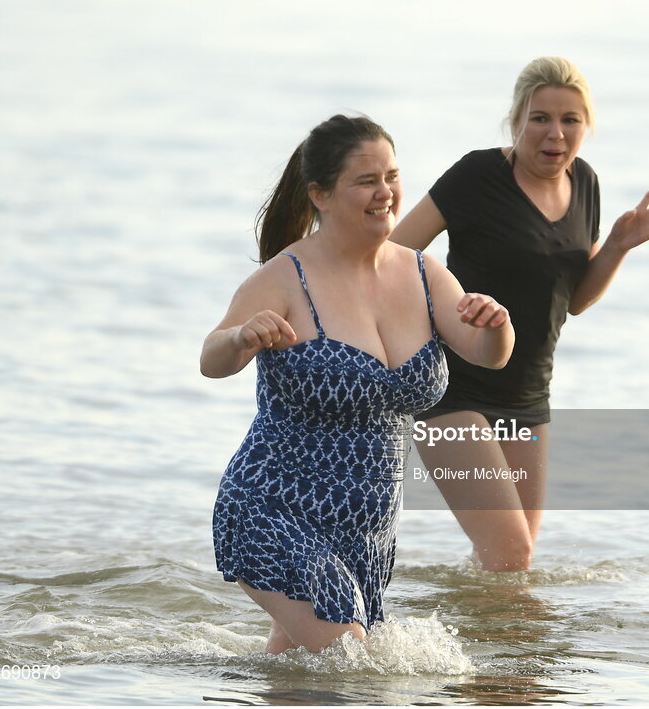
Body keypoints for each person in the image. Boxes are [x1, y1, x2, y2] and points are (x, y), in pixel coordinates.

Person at [201, 115, 514, 653]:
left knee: (300, 680)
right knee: (353, 665)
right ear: (320, 194)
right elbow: (212, 359)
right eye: (367, 181)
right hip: (271, 509)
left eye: (392, 176)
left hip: (366, 535)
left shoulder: (423, 274)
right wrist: (240, 338)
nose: (385, 192)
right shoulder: (285, 276)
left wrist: (497, 323)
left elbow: (488, 355)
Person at [390, 56, 649, 571]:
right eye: (541, 117)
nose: (555, 133)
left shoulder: (585, 183)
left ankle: (486, 649)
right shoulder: (477, 175)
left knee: (506, 566)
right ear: (517, 119)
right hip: (453, 391)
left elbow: (576, 300)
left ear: (587, 126)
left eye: (570, 120)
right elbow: (390, 257)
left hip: (528, 397)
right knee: (512, 552)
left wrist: (616, 245)